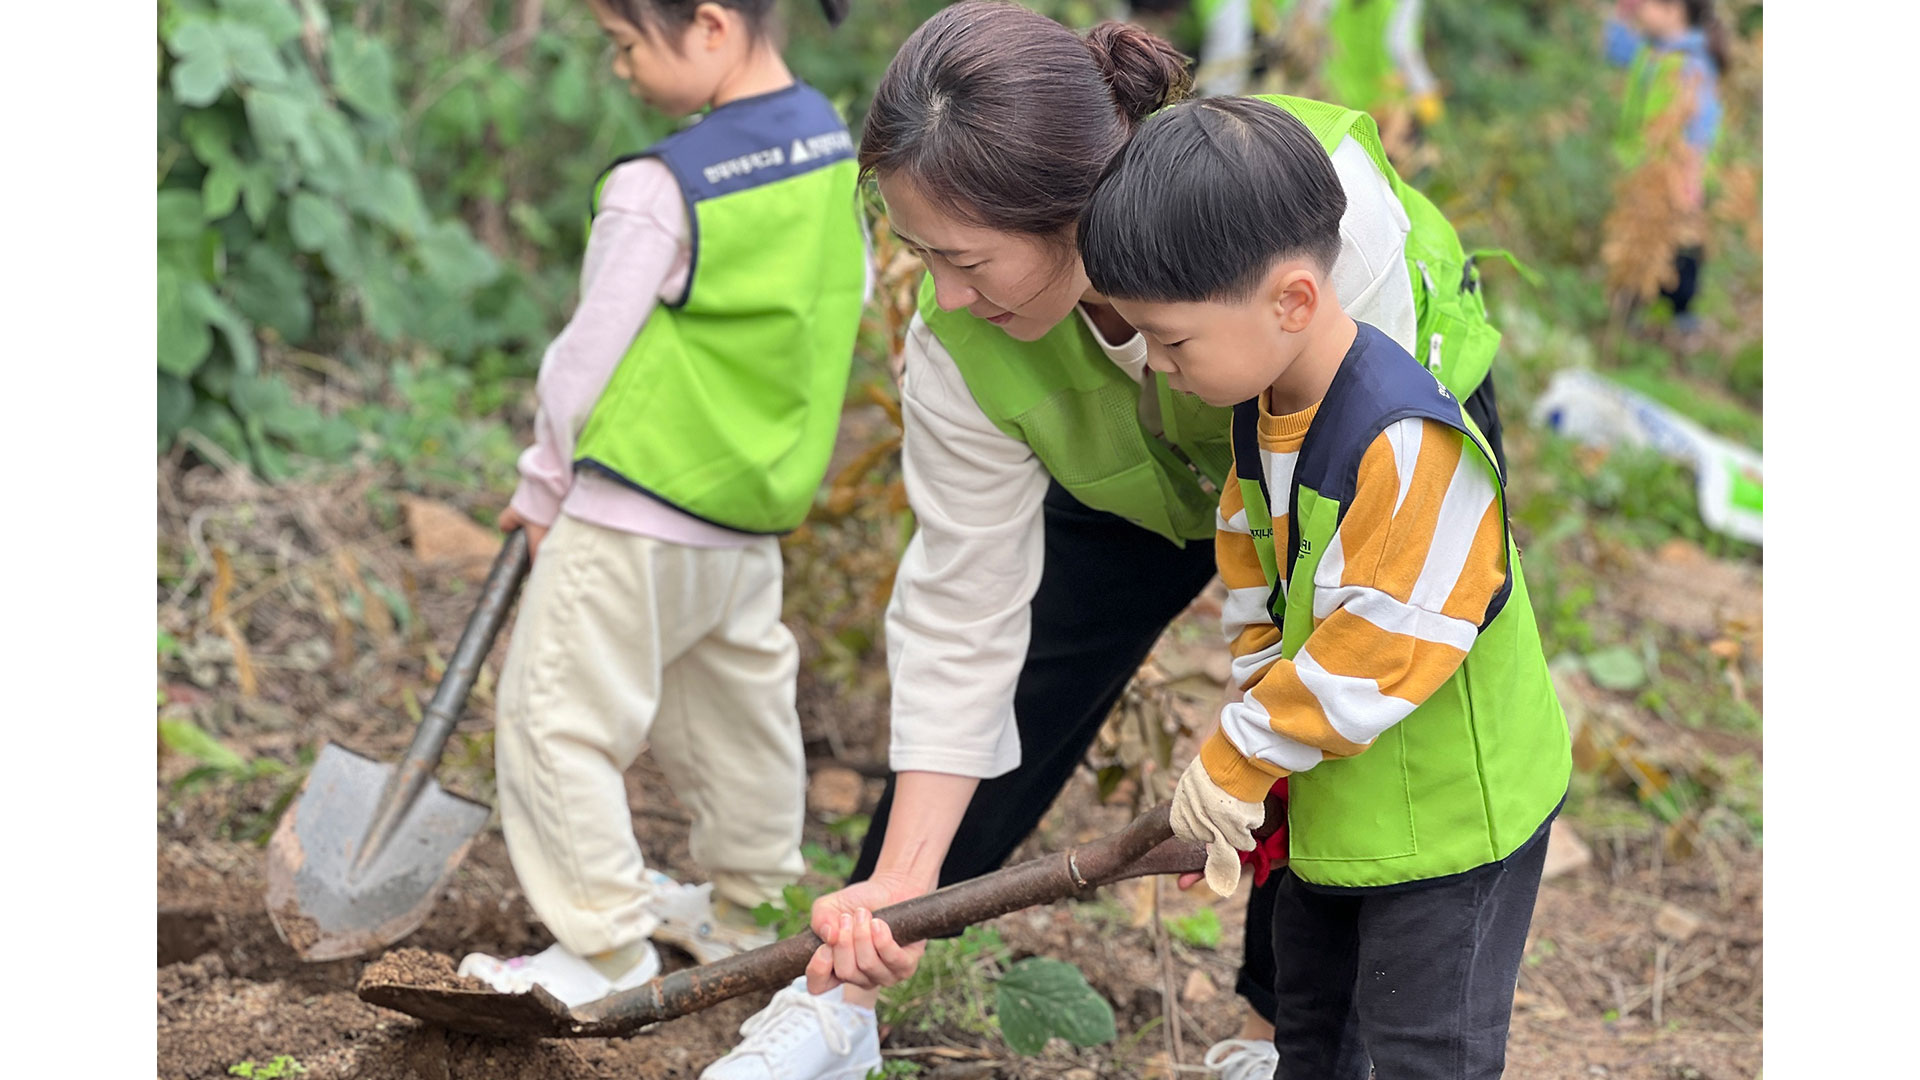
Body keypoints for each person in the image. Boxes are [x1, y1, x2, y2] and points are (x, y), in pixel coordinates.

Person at [701, 4, 1512, 1078]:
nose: (943, 296)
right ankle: (846, 984)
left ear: (1077, 214)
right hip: (1149, 476)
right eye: (919, 254)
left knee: (1344, 712)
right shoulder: (968, 344)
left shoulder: (1305, 215)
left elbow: (1359, 613)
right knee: (1027, 679)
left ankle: (1286, 1036)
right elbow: (960, 607)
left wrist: (1251, 747)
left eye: (967, 259)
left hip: (1348, 458)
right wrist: (902, 874)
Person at [1080, 94, 1572, 1080]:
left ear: (1293, 302)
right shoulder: (1266, 404)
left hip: (1450, 822)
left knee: (1421, 1050)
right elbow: (1253, 554)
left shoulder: (1404, 443)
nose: (1163, 370)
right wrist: (1260, 702)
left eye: (1174, 342)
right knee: (1314, 1019)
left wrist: (1242, 754)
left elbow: (1377, 645)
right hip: (1350, 800)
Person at [455, 0, 868, 1010]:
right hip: (749, 506)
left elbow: (584, 357)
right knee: (736, 717)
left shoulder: (661, 184)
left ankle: (602, 946)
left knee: (554, 716)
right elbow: (844, 296)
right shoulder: (829, 145)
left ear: (713, 26)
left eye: (628, 43)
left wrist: (542, 482)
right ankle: (750, 913)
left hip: (633, 506)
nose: (621, 67)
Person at [1604, 0, 1728, 333]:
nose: (1640, 8)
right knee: (1639, 242)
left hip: (1676, 175)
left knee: (1677, 251)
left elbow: (1702, 126)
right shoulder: (1650, 52)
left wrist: (1690, 180)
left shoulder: (1692, 64)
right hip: (1644, 171)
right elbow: (1612, 48)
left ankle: (1679, 324)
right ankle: (1628, 318)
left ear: (1673, 9)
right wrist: (1623, 12)